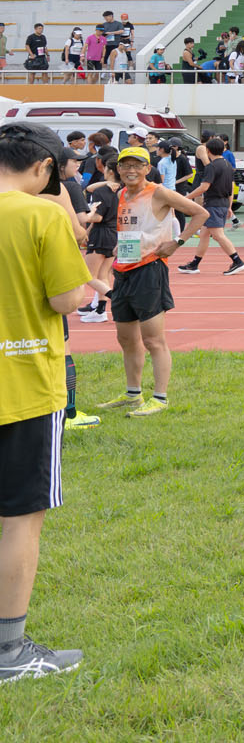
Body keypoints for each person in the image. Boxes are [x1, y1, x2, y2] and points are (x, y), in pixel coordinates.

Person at [0, 123, 95, 682]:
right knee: (20, 519)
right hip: (24, 382)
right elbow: (65, 298)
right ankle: (9, 650)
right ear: (42, 168)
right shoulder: (41, 215)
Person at [103, 146, 210, 417]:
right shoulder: (122, 194)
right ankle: (133, 394)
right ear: (118, 169)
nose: (131, 170)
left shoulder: (159, 192)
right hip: (123, 270)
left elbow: (201, 213)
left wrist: (177, 242)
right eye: (126, 165)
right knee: (126, 338)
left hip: (149, 270)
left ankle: (160, 398)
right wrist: (120, 247)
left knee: (153, 340)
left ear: (147, 168)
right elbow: (135, 229)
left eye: (137, 165)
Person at [174, 136, 244, 276]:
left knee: (218, 235)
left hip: (213, 204)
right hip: (222, 203)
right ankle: (194, 264)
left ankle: (237, 261)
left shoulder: (211, 167)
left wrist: (186, 198)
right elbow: (231, 188)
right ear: (223, 149)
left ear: (207, 150)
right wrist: (229, 206)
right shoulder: (228, 165)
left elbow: (204, 187)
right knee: (204, 234)